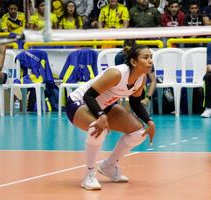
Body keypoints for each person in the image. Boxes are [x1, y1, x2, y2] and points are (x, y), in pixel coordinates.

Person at [66, 45, 156, 190]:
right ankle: (89, 175)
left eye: (151, 57)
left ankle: (109, 165)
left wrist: (149, 121)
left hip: (103, 106)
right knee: (98, 129)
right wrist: (101, 116)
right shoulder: (117, 73)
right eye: (146, 57)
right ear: (133, 62)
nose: (150, 61)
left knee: (139, 132)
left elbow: (135, 102)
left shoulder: (141, 79)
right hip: (79, 103)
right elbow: (88, 96)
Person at [115, 40, 157, 113]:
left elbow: (153, 81)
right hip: (124, 89)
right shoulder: (119, 57)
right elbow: (118, 80)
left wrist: (147, 98)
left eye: (150, 57)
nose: (150, 61)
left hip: (139, 90)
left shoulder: (147, 61)